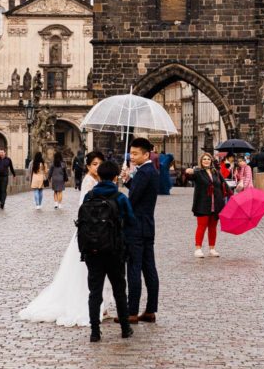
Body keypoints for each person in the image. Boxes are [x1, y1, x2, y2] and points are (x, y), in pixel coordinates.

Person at [19, 150, 112, 327]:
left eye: (100, 164)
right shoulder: (89, 181)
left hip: (96, 230)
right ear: (88, 166)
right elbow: (85, 206)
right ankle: (92, 305)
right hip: (91, 231)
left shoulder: (98, 181)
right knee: (87, 271)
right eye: (94, 164)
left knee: (93, 271)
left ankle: (100, 305)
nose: (97, 167)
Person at [80, 160, 136, 342]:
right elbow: (131, 221)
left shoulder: (89, 196)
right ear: (114, 177)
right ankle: (125, 328)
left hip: (92, 250)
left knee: (94, 291)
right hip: (114, 250)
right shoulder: (120, 198)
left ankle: (95, 331)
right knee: (119, 289)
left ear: (99, 175)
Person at [119, 137, 160, 324]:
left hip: (135, 227)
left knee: (134, 268)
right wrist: (128, 180)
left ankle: (131, 312)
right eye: (131, 153)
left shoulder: (144, 172)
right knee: (149, 268)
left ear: (146, 154)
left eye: (135, 153)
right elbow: (139, 193)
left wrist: (127, 185)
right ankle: (151, 310)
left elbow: (133, 199)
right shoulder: (151, 170)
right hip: (148, 226)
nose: (132, 156)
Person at [186, 152, 231, 258]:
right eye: (204, 159)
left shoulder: (216, 172)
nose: (206, 161)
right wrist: (188, 172)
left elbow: (224, 184)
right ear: (201, 161)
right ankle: (198, 248)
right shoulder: (198, 172)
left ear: (211, 161)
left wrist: (233, 192)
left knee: (213, 227)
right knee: (201, 226)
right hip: (202, 204)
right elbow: (189, 177)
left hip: (216, 204)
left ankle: (212, 248)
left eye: (208, 159)